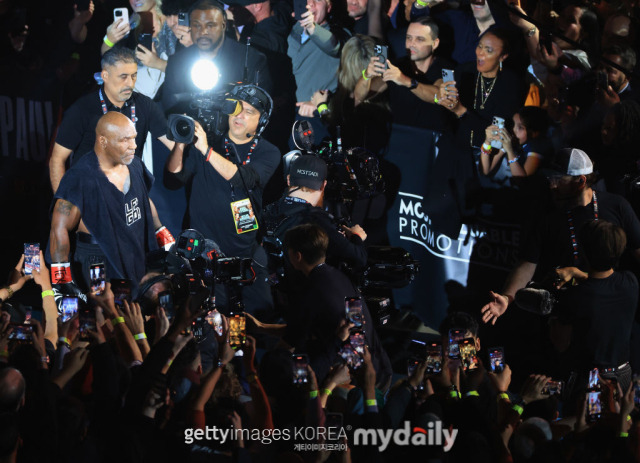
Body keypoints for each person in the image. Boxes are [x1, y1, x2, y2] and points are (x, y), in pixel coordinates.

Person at [481, 148, 640, 325]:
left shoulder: (617, 206)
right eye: (551, 178)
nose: (552, 185)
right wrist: (507, 298)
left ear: (581, 181)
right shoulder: (546, 213)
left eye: (558, 179)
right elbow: (527, 263)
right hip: (567, 316)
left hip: (610, 310)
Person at [164, 84, 279, 314]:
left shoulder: (268, 152)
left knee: (258, 317)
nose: (240, 115)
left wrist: (206, 150)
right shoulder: (208, 142)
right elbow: (174, 178)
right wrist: (180, 142)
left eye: (250, 112)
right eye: (237, 108)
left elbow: (243, 178)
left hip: (243, 253)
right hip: (202, 252)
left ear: (262, 121)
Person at [250, 223, 392, 387]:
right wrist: (260, 327)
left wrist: (260, 373)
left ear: (297, 256)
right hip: (379, 369)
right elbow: (298, 330)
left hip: (354, 383)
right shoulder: (339, 276)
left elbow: (290, 342)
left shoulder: (309, 292)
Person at [49, 112, 174, 296]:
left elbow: (143, 200)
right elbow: (59, 229)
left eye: (134, 138)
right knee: (104, 315)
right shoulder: (80, 178)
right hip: (99, 263)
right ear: (103, 141)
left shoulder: (135, 165)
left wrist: (164, 236)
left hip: (133, 253)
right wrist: (63, 281)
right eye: (125, 140)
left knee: (135, 313)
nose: (134, 146)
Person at [49, 47, 173, 193]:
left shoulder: (144, 105)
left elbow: (173, 144)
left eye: (134, 76)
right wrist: (65, 205)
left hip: (129, 198)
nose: (130, 83)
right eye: (123, 76)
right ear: (105, 76)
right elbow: (57, 160)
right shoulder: (83, 109)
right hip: (90, 198)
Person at [263, 155, 368, 289]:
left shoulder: (266, 210)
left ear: (289, 180)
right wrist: (357, 237)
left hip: (266, 296)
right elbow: (358, 258)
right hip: (302, 301)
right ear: (323, 185)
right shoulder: (318, 220)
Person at [556, 220, 637, 392]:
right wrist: (579, 274)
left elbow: (560, 343)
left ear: (584, 252)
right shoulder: (630, 282)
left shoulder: (575, 296)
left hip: (590, 379)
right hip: (624, 375)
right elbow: (602, 284)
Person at [161, 0, 271, 115]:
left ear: (223, 25)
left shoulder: (251, 60)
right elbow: (169, 110)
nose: (203, 32)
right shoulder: (177, 62)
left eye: (210, 25)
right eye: (196, 25)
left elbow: (260, 112)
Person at [355, 16, 454, 132]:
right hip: (400, 137)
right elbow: (359, 96)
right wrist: (367, 75)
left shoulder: (446, 68)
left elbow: (440, 96)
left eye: (419, 39)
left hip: (432, 139)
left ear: (435, 43)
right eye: (408, 38)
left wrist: (405, 81)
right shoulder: (397, 66)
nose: (411, 44)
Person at [439, 28, 526, 148]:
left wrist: (460, 111)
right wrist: (442, 98)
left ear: (503, 57)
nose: (480, 53)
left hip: (486, 152)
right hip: (454, 145)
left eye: (488, 50)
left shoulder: (510, 84)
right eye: (479, 46)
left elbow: (495, 131)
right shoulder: (464, 71)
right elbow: (445, 116)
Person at [479, 106, 553, 181]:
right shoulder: (511, 142)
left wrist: (510, 152)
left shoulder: (537, 146)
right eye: (512, 125)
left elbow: (522, 182)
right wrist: (487, 142)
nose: (513, 131)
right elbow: (486, 171)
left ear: (534, 132)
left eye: (520, 127)